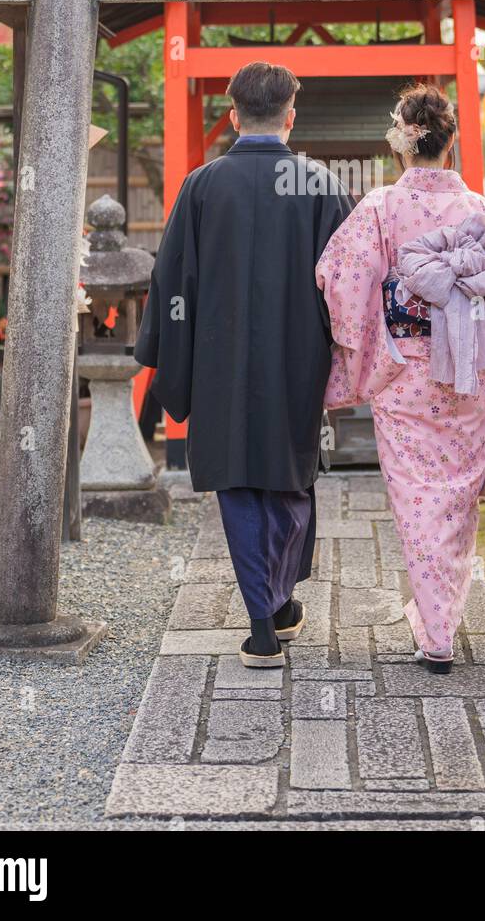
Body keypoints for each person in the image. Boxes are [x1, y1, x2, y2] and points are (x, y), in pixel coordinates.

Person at [316, 83, 485, 673]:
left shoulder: (380, 207)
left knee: (417, 501)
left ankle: (437, 631)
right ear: (450, 143)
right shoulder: (478, 209)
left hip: (403, 371)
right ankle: (441, 618)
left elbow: (338, 278)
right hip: (470, 370)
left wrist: (367, 340)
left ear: (401, 145)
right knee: (458, 498)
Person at [136, 62, 351, 667]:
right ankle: (270, 609)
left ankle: (268, 612)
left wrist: (172, 357)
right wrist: (346, 357)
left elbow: (173, 280)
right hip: (297, 357)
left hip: (220, 359)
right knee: (289, 475)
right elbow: (348, 286)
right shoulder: (321, 186)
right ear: (290, 116)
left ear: (233, 116)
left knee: (237, 479)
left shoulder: (202, 185)